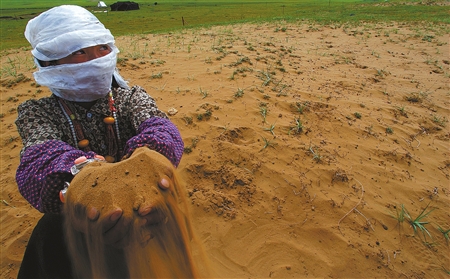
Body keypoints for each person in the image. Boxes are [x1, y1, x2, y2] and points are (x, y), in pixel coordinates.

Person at [15, 5, 184, 278]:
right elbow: (39, 159)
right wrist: (85, 183)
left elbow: (161, 129)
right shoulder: (37, 113)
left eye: (102, 48)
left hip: (143, 208)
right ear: (49, 63)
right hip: (81, 223)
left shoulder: (130, 99)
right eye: (79, 51)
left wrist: (146, 165)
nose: (95, 58)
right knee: (51, 232)